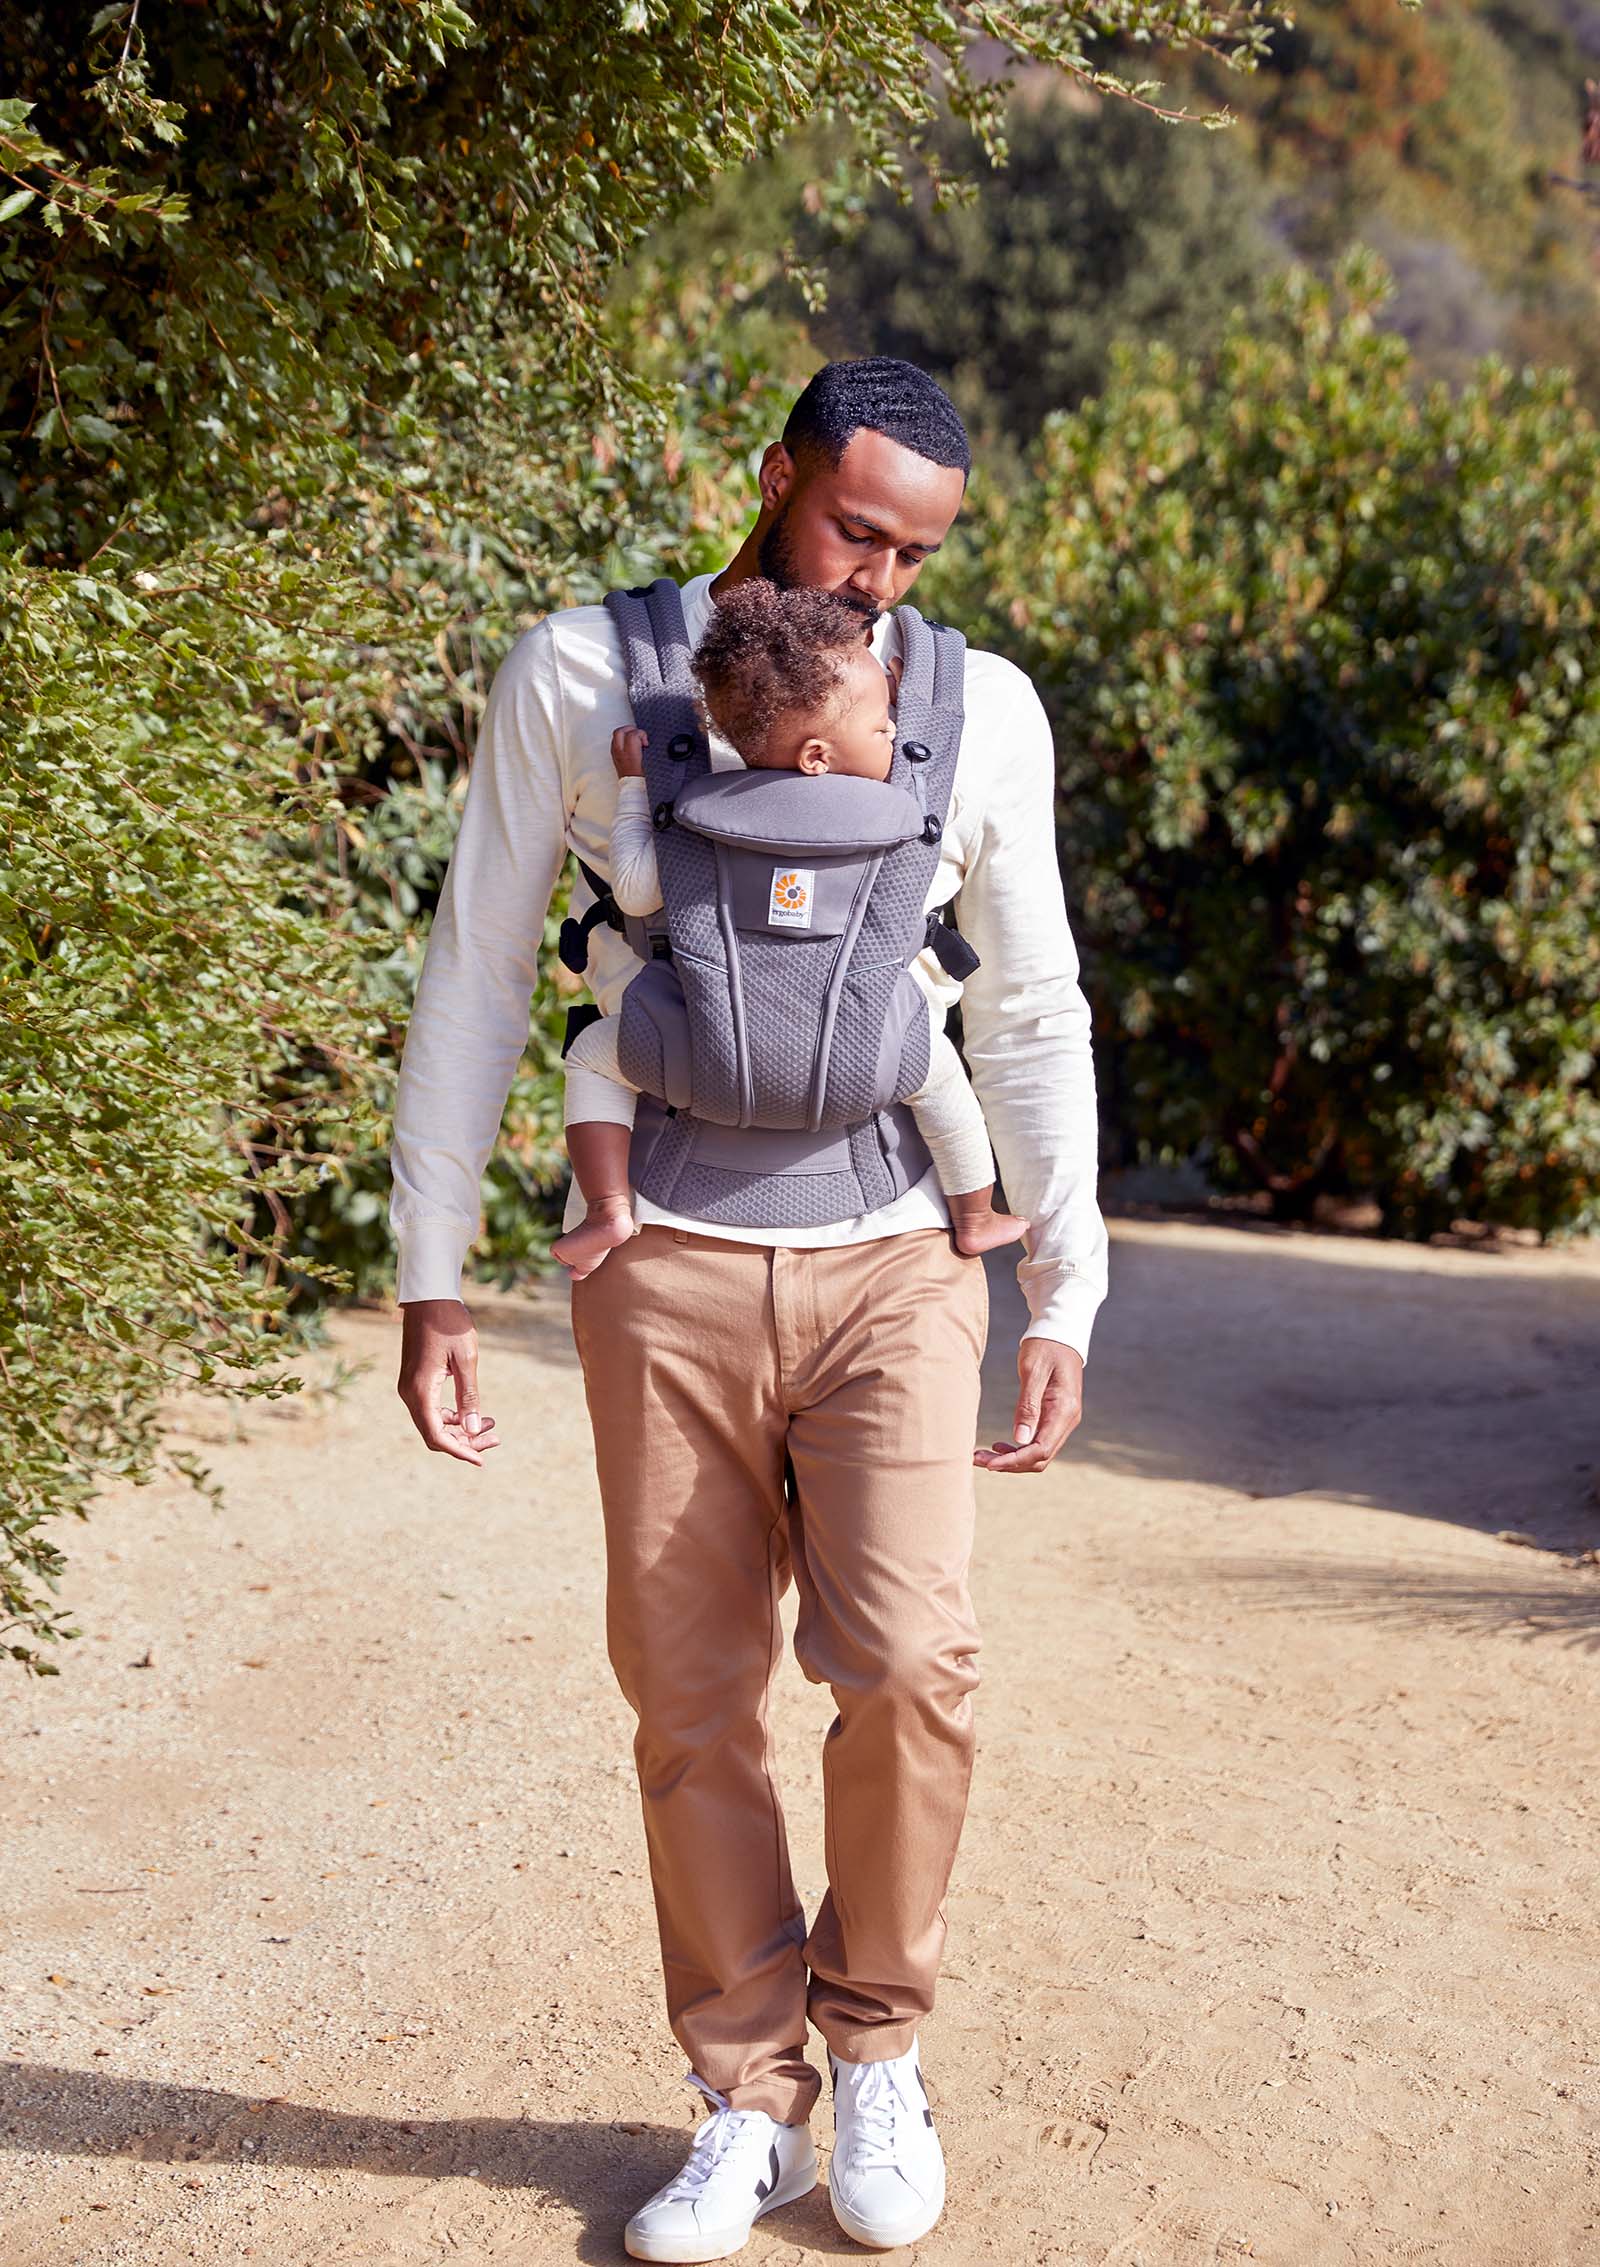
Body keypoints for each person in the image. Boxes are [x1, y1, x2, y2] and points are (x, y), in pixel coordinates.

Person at [390, 355, 1109, 2263]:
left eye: (917, 552)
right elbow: (479, 969)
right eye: (857, 529)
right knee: (692, 1693)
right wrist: (432, 1268)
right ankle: (743, 2099)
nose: (881, 579)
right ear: (776, 472)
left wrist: (1066, 1277)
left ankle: (877, 2050)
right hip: (666, 1261)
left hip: (896, 1256)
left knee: (914, 1662)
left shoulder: (980, 709)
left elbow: (1028, 1000)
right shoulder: (578, 674)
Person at [551, 574, 1029, 1280]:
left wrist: (631, 789)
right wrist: (905, 733)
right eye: (883, 726)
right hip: (865, 1065)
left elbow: (634, 891)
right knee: (942, 1077)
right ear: (817, 757)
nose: (894, 733)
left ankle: (607, 1207)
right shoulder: (893, 828)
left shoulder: (697, 821)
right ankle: (977, 1213)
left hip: (700, 1061)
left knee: (593, 1055)